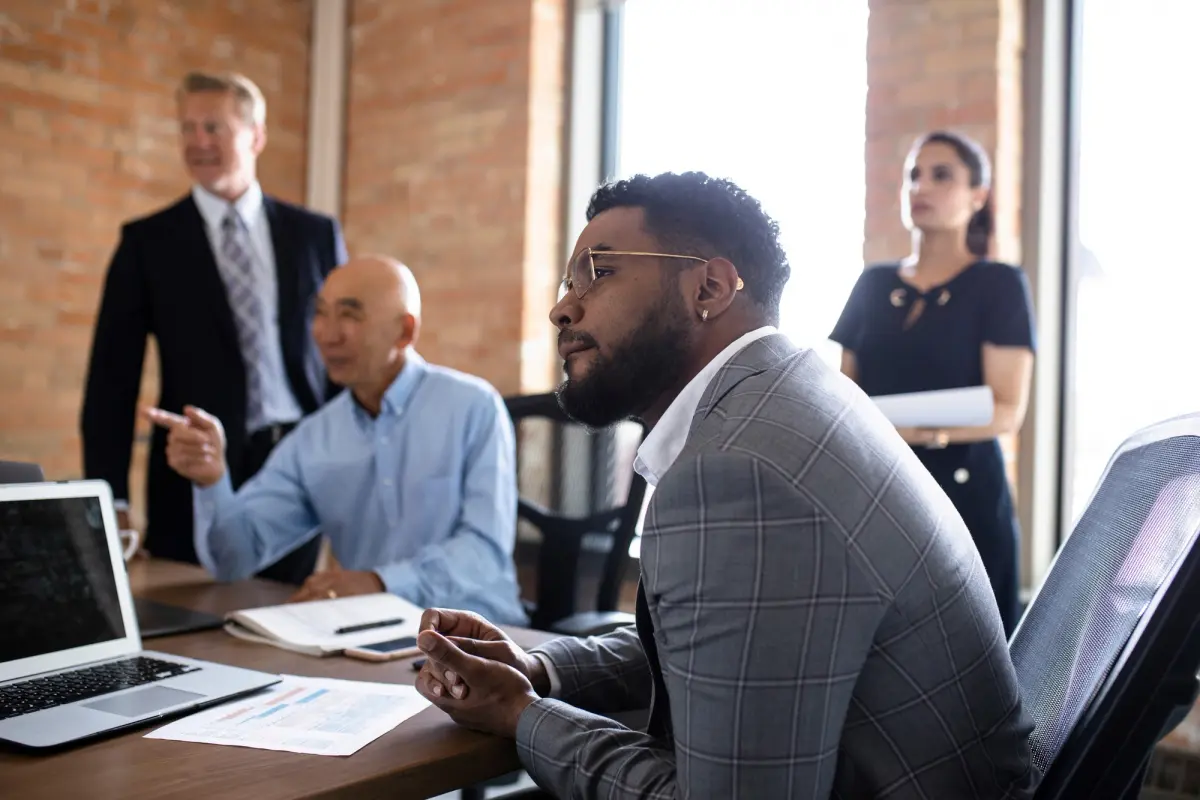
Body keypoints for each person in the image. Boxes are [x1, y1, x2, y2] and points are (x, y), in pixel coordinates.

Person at [410, 172, 1038, 798]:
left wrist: (522, 715)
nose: (562, 307)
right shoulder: (796, 397)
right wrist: (537, 670)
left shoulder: (737, 471)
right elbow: (728, 646)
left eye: (598, 272)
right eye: (568, 281)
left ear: (707, 287)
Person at [145, 255, 526, 624]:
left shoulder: (474, 407)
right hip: (368, 637)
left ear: (405, 331)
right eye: (320, 312)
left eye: (349, 315)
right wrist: (212, 481)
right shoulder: (313, 438)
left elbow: (484, 554)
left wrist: (378, 583)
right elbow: (233, 559)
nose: (326, 334)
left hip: (486, 635)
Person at [81, 71, 347, 584]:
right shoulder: (146, 242)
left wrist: (351, 475)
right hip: (190, 470)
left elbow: (343, 357)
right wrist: (109, 498)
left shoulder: (315, 235)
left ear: (256, 136)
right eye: (187, 128)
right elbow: (111, 383)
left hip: (298, 464)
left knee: (287, 622)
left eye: (213, 127)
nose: (197, 142)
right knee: (191, 630)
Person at [830, 130, 1037, 635]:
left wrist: (918, 436)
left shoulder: (998, 285)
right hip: (876, 492)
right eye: (913, 175)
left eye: (941, 175)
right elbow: (843, 400)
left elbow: (1007, 408)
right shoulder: (874, 284)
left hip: (964, 495)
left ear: (978, 196)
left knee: (972, 652)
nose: (921, 186)